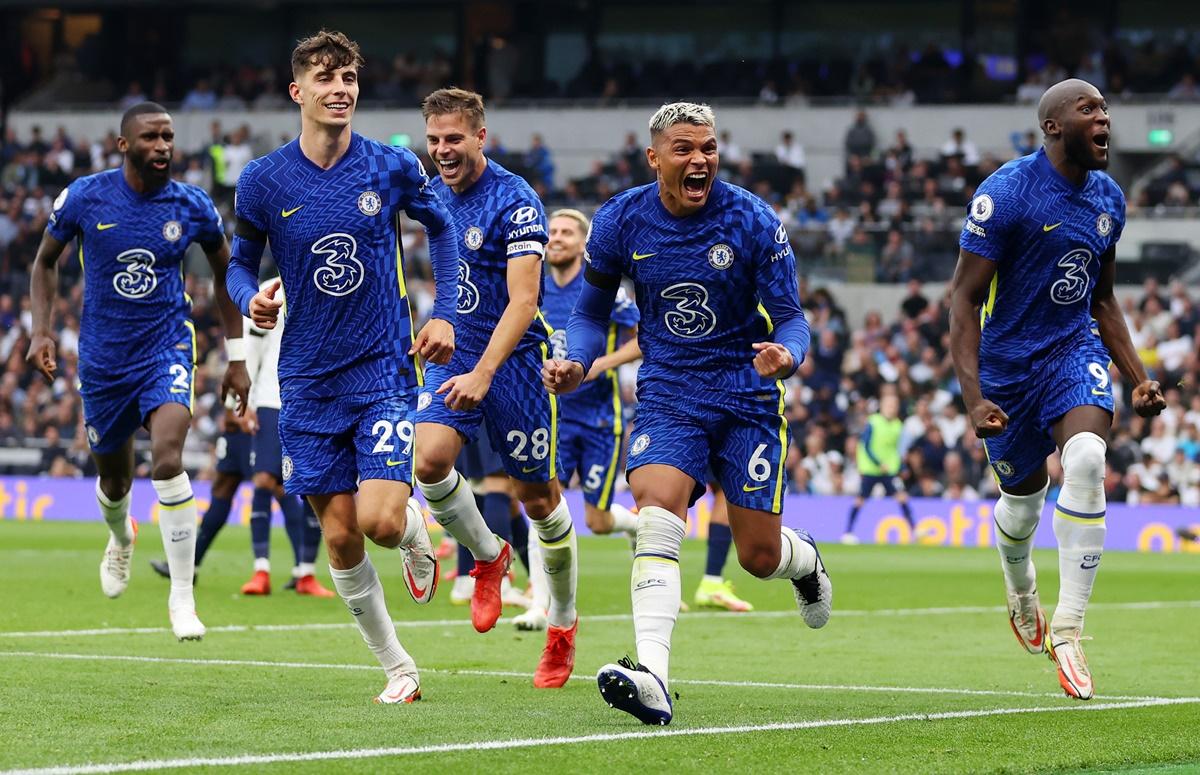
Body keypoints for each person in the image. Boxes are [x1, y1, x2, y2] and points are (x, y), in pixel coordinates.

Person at [544, 102, 831, 725]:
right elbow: (591, 315)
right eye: (684, 149)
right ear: (655, 158)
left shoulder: (753, 219)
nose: (699, 160)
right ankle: (653, 675)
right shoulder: (621, 219)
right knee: (656, 508)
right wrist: (574, 359)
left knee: (757, 557)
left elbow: (791, 317)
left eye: (708, 148)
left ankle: (803, 559)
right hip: (670, 389)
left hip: (747, 393)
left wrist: (789, 355)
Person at [226, 31, 459, 704]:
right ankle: (399, 668)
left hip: (382, 366)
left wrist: (441, 311)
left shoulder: (389, 165)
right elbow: (241, 264)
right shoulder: (263, 180)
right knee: (339, 534)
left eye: (350, 77)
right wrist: (252, 298)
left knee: (380, 520)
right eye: (326, 78)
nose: (341, 89)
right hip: (305, 378)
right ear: (299, 92)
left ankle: (415, 531)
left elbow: (439, 227)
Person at [949, 78, 1165, 701]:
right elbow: (962, 300)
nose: (1104, 118)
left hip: (1073, 353)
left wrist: (1138, 376)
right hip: (1007, 368)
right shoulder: (1007, 194)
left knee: (1090, 459)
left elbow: (1101, 299)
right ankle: (1020, 586)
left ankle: (1068, 628)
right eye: (1088, 109)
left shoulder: (1109, 198)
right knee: (1022, 503)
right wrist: (973, 397)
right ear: (1052, 127)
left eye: (1105, 109)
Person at [25, 101, 250, 641]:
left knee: (169, 459)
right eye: (151, 138)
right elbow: (43, 263)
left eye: (169, 137)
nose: (164, 147)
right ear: (124, 145)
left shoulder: (192, 205)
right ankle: (121, 536)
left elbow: (227, 273)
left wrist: (238, 355)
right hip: (104, 361)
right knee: (114, 479)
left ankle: (181, 597)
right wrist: (41, 330)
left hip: (166, 348)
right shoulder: (85, 196)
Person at [415, 87, 578, 689]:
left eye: (453, 139)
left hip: (512, 362)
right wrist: (435, 321)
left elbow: (525, 301)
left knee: (537, 500)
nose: (442, 151)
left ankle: (561, 624)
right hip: (453, 352)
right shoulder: (430, 194)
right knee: (429, 461)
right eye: (433, 141)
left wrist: (485, 371)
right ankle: (489, 556)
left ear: (481, 136)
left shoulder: (516, 199)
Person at [540, 208, 641, 540]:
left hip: (599, 419)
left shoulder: (601, 285)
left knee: (597, 522)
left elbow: (645, 338)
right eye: (552, 232)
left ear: (584, 243)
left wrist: (599, 363)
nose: (556, 238)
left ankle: (636, 527)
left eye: (566, 233)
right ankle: (543, 594)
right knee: (544, 505)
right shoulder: (533, 284)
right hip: (552, 416)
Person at [844, 393, 914, 543]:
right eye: (889, 405)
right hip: (871, 469)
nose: (892, 409)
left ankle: (914, 531)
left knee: (901, 496)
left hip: (889, 470)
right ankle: (848, 532)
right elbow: (866, 446)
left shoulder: (898, 425)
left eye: (894, 406)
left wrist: (902, 467)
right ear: (881, 407)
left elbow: (896, 450)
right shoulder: (873, 422)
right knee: (860, 499)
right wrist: (877, 463)